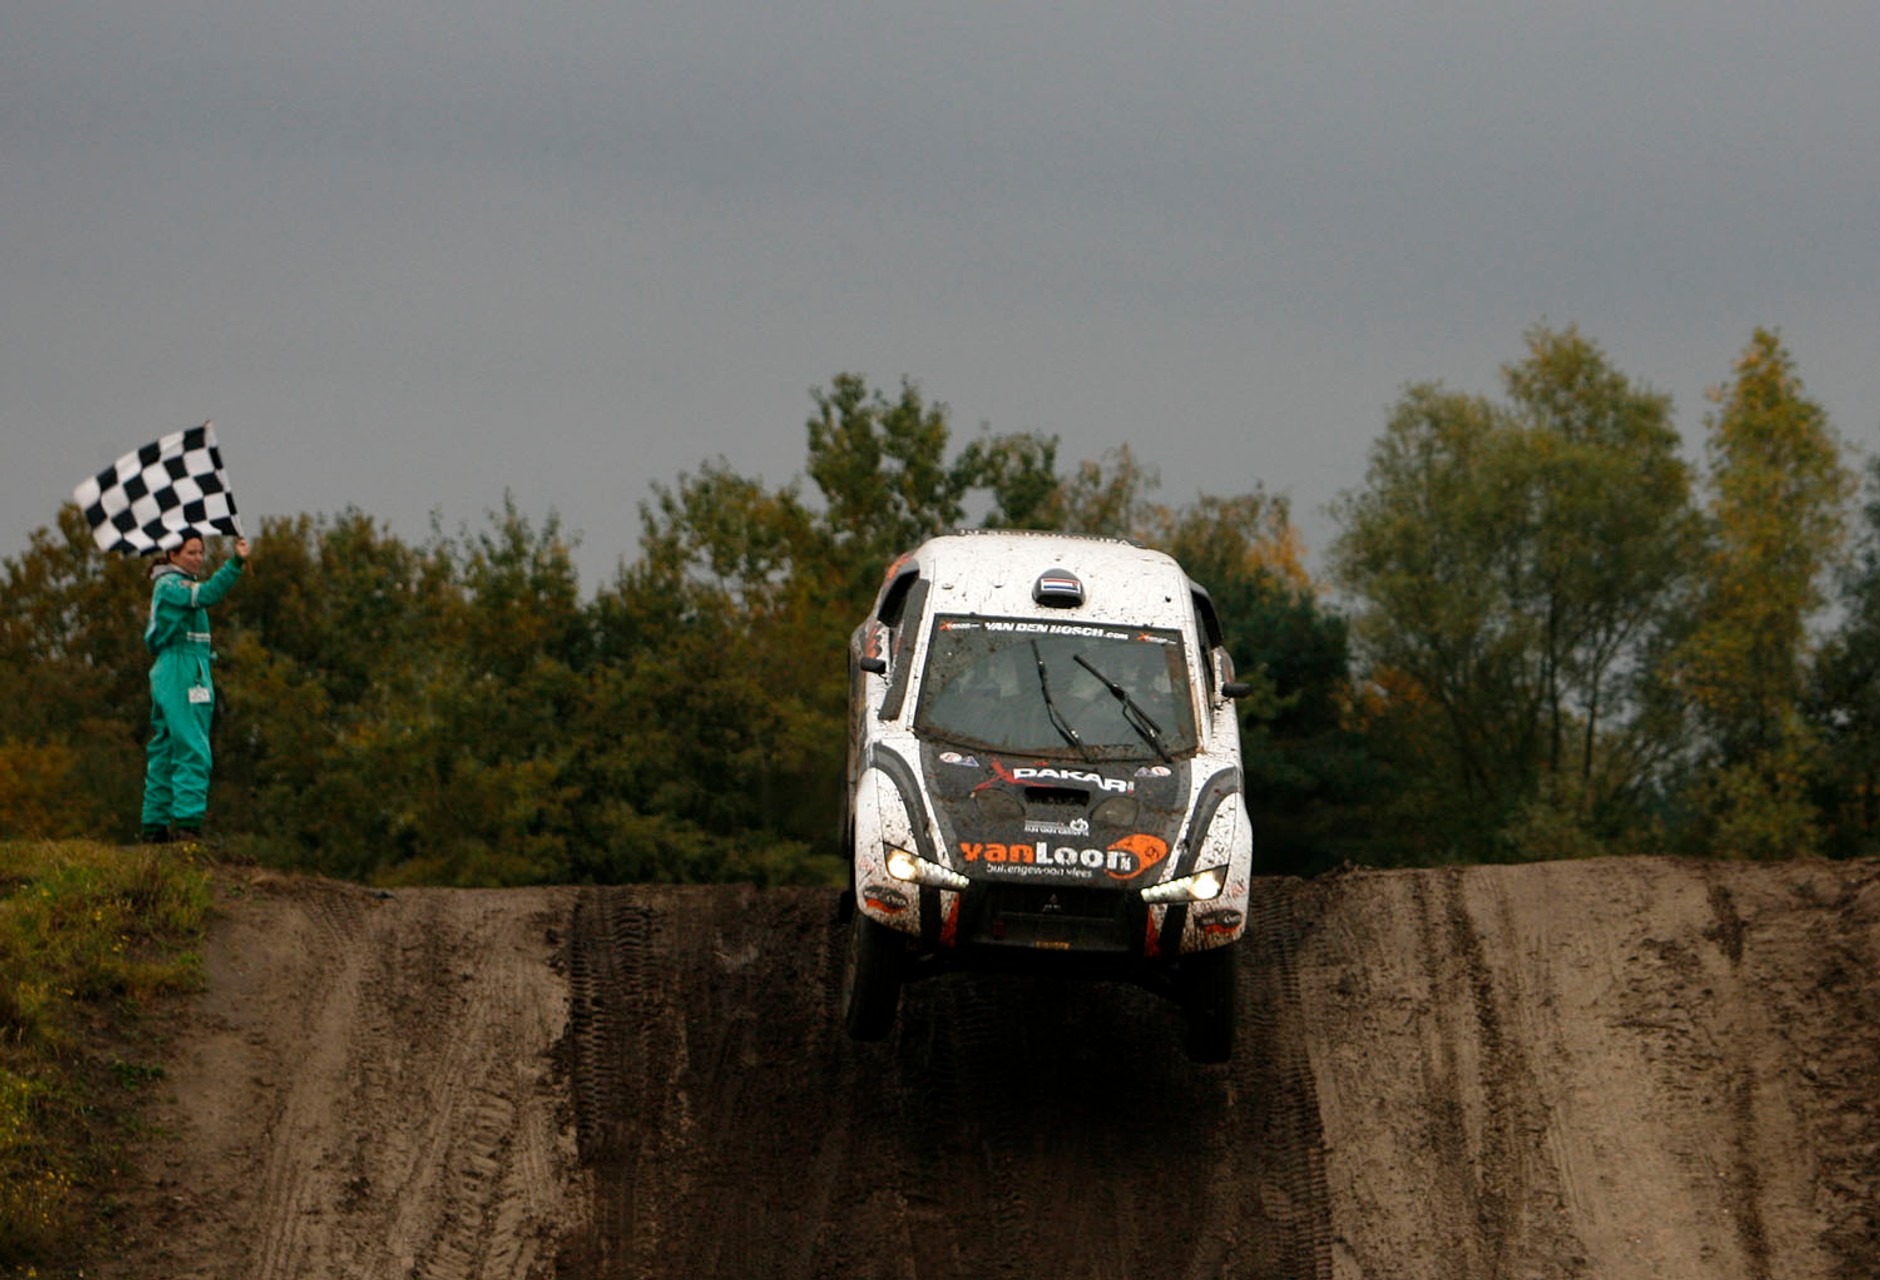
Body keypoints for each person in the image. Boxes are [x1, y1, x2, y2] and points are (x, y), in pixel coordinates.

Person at [140, 529, 250, 844]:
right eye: (191, 552)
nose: (198, 558)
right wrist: (236, 564)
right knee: (192, 745)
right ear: (172, 555)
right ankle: (188, 825)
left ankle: (155, 826)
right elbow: (207, 594)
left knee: (166, 745)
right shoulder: (172, 584)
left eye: (201, 552)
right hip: (181, 668)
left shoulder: (170, 584)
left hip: (178, 667)